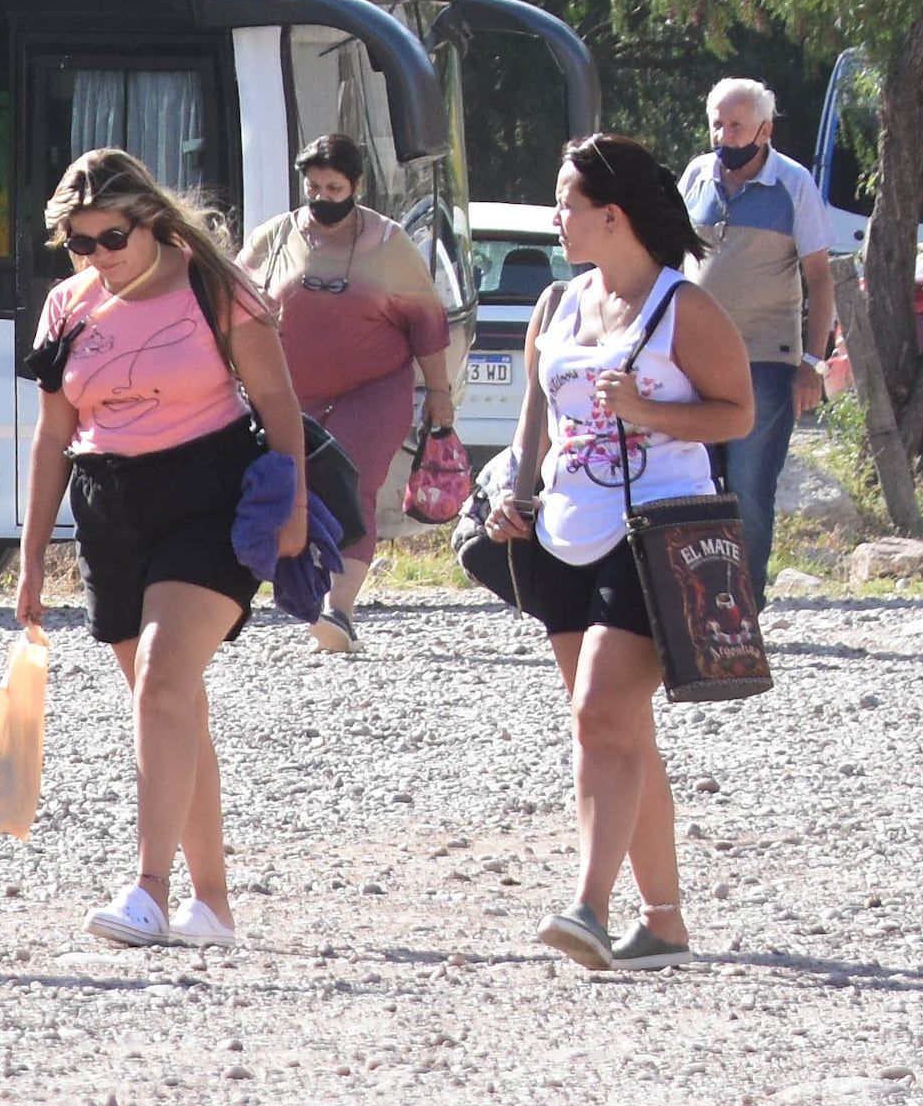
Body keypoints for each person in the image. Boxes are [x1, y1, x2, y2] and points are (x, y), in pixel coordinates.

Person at [9, 147, 310, 954]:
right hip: (109, 506)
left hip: (207, 494)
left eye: (112, 237)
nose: (98, 256)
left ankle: (150, 887)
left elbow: (279, 402)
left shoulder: (216, 288)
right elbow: (51, 438)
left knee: (164, 683)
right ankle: (212, 905)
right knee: (168, 702)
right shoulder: (67, 308)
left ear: (150, 222)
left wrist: (298, 508)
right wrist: (33, 555)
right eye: (80, 243)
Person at [483, 132, 760, 970]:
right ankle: (665, 922)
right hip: (563, 530)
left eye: (567, 202)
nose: (556, 216)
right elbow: (537, 409)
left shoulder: (687, 308)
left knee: (600, 711)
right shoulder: (557, 303)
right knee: (613, 726)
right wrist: (515, 490)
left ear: (613, 214)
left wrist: (649, 410)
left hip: (658, 535)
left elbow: (737, 415)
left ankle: (589, 906)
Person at [238, 132, 457, 654]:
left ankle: (340, 609)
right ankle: (295, 590)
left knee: (352, 488)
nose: (321, 197)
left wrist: (440, 393)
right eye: (312, 186)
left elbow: (427, 323)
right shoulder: (274, 238)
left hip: (373, 390)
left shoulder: (390, 243)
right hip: (289, 394)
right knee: (289, 489)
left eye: (333, 187)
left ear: (356, 186)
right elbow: (233, 304)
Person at [681, 78, 845, 605]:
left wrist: (813, 363)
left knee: (750, 489)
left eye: (736, 126)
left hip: (766, 364)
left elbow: (820, 280)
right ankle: (695, 601)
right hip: (692, 361)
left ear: (765, 130)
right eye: (717, 124)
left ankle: (742, 604)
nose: (725, 137)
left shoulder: (794, 185)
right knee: (693, 485)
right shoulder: (695, 178)